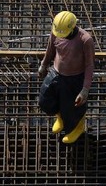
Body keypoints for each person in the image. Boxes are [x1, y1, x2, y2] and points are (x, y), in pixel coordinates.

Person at [38, 11, 95, 144]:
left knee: (72, 108)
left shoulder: (85, 40)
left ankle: (77, 128)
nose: (60, 36)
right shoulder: (57, 32)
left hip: (75, 78)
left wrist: (85, 89)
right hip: (56, 73)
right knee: (45, 100)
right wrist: (44, 64)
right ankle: (61, 118)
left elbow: (89, 65)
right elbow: (51, 49)